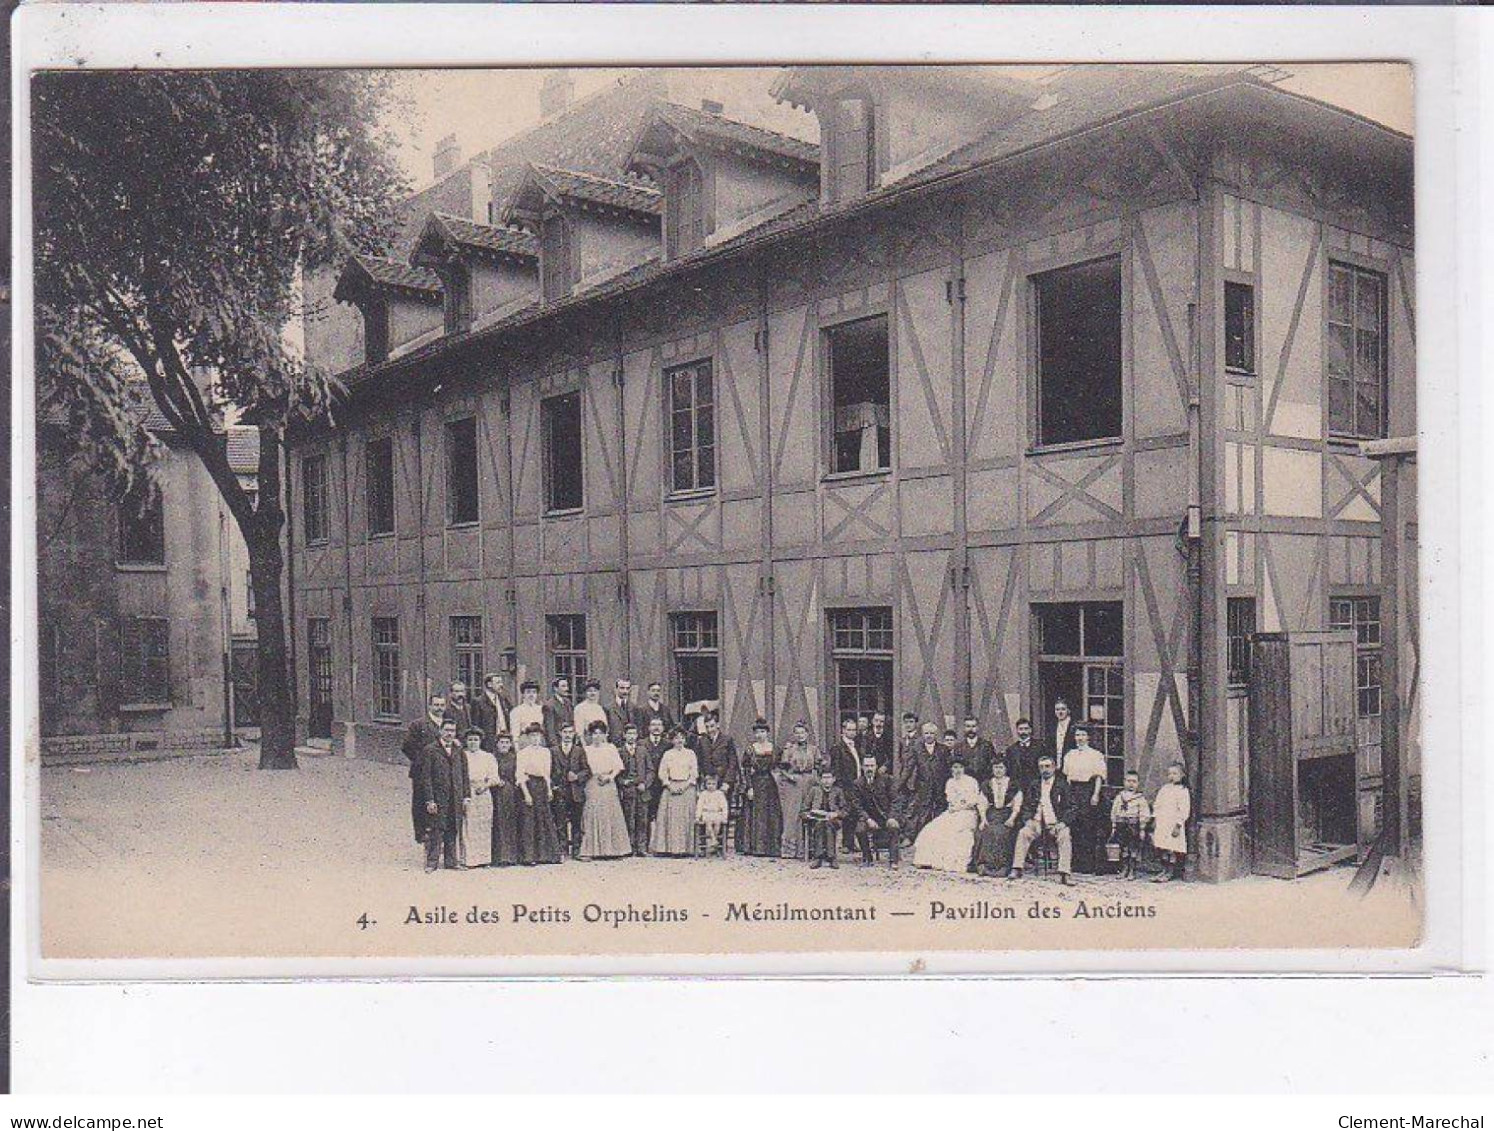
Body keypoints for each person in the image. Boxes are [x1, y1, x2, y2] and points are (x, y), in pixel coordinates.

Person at [1008, 754, 1077, 885]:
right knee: (1023, 833)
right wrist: (1028, 820)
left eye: (1047, 766)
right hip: (1036, 822)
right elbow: (1026, 806)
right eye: (1041, 767)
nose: (1045, 769)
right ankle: (1017, 868)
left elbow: (1072, 807)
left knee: (1065, 835)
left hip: (1055, 823)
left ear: (1054, 767)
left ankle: (1065, 873)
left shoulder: (1062, 785)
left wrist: (1062, 823)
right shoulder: (1034, 784)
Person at [912, 756, 987, 872]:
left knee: (956, 831)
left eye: (960, 767)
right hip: (953, 812)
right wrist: (956, 806)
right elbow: (951, 800)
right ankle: (928, 860)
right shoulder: (950, 782)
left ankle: (954, 863)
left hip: (968, 813)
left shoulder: (971, 781)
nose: (958, 770)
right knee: (933, 828)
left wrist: (961, 805)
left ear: (964, 769)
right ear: (951, 769)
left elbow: (973, 801)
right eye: (955, 767)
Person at [417, 719, 470, 872]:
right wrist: (429, 800)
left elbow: (464, 774)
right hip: (438, 797)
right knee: (436, 829)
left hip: (456, 796)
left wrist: (466, 795)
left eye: (452, 731)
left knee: (453, 828)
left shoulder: (459, 751)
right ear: (440, 731)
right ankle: (432, 862)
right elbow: (426, 777)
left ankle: (451, 861)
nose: (449, 734)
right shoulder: (430, 750)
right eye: (446, 730)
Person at [578, 720, 632, 860]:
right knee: (592, 815)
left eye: (600, 733)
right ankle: (591, 850)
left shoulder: (611, 748)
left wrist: (609, 777)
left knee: (610, 814)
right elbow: (584, 768)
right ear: (590, 735)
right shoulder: (586, 750)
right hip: (593, 783)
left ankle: (613, 850)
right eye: (594, 734)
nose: (597, 736)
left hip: (608, 783)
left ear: (605, 734)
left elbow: (618, 767)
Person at [402, 693, 447, 845]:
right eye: (436, 705)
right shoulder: (419, 724)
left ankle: (440, 834)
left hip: (442, 772)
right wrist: (422, 762)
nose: (439, 708)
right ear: (430, 706)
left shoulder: (448, 724)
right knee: (421, 801)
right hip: (422, 771)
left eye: (442, 705)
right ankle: (423, 835)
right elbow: (407, 746)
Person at [1063, 724, 1108, 874]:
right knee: (1075, 825)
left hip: (1088, 791)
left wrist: (1095, 795)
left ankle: (1089, 865)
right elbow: (1067, 777)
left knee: (1088, 826)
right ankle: (1077, 864)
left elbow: (1098, 777)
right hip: (1073, 791)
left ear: (1088, 737)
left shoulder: (1096, 755)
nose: (1080, 738)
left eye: (1082, 735)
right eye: (1077, 735)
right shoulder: (1070, 755)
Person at [515, 722, 562, 865]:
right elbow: (520, 774)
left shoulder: (546, 752)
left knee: (544, 819)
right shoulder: (523, 753)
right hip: (529, 785)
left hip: (542, 786)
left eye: (537, 736)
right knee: (529, 821)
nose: (535, 739)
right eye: (532, 736)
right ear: (528, 738)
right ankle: (529, 856)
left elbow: (547, 773)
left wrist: (548, 789)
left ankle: (546, 855)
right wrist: (526, 794)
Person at [970, 758, 1023, 877]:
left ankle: (1001, 867)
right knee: (984, 831)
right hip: (991, 813)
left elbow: (1017, 803)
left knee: (1001, 833)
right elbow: (982, 803)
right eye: (996, 767)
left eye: (1001, 767)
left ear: (1006, 769)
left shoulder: (1013, 784)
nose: (998, 770)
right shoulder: (987, 784)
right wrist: (983, 819)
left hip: (1007, 814)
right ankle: (984, 865)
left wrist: (1012, 819)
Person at [651, 728, 700, 857]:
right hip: (671, 788)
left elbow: (694, 772)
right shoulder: (668, 754)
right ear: (672, 740)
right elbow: (662, 772)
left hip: (687, 788)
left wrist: (686, 785)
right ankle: (669, 849)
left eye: (682, 738)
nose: (679, 740)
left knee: (686, 818)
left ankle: (686, 849)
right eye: (677, 738)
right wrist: (668, 784)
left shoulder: (691, 754)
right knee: (671, 819)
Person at [738, 718, 783, 857]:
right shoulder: (751, 749)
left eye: (762, 732)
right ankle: (755, 848)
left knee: (771, 814)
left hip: (770, 784)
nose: (760, 735)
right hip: (755, 782)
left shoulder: (774, 749)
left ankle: (771, 848)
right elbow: (746, 770)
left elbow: (780, 767)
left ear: (767, 733)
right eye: (757, 732)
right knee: (756, 814)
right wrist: (749, 787)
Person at [775, 721, 820, 858]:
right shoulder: (789, 750)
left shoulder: (814, 749)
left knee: (808, 812)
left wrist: (815, 778)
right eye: (797, 733)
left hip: (809, 782)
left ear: (807, 734)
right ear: (794, 735)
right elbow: (781, 769)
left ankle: (807, 849)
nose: (800, 735)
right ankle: (790, 850)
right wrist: (791, 776)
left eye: (803, 732)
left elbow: (819, 766)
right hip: (793, 784)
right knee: (792, 815)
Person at [848, 754, 900, 866]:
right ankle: (867, 858)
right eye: (867, 766)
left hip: (885, 816)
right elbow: (857, 805)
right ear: (862, 767)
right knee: (860, 830)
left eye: (872, 765)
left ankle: (893, 860)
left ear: (876, 766)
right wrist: (867, 819)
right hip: (868, 817)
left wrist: (891, 817)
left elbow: (895, 801)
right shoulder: (857, 783)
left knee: (894, 826)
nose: (869, 769)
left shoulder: (887, 780)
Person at [460, 727, 499, 868]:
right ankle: (469, 859)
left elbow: (495, 777)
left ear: (480, 741)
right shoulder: (462, 755)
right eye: (470, 740)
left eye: (475, 740)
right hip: (468, 791)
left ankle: (484, 859)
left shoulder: (488, 757)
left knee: (484, 825)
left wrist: (485, 786)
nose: (473, 742)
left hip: (483, 792)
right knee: (469, 825)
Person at [897, 722, 943, 839]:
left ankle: (937, 838)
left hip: (939, 787)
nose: (929, 736)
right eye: (926, 733)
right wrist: (899, 785)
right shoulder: (916, 749)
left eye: (931, 733)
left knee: (939, 813)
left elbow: (947, 770)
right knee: (920, 813)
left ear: (936, 735)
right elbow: (908, 768)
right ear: (922, 734)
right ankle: (912, 838)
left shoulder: (943, 750)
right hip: (923, 786)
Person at [617, 722, 654, 856]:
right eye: (629, 734)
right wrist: (623, 782)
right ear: (624, 735)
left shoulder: (643, 751)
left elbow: (650, 770)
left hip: (642, 790)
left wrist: (645, 783)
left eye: (633, 733)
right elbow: (617, 774)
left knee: (643, 819)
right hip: (628, 791)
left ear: (637, 735)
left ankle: (642, 847)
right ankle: (629, 847)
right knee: (629, 819)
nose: (631, 737)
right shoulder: (620, 752)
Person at [552, 722, 587, 859]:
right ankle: (562, 849)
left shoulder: (579, 750)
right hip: (560, 791)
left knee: (576, 822)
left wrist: (577, 776)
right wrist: (553, 785)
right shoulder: (554, 751)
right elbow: (549, 771)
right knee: (560, 822)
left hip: (575, 792)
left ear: (574, 735)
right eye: (565, 732)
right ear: (560, 733)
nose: (567, 735)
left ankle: (576, 850)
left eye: (570, 732)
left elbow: (587, 770)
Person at [1151, 762, 1191, 883]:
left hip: (1173, 824)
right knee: (1162, 847)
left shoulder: (1183, 791)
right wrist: (1155, 818)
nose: (1171, 776)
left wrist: (1178, 825)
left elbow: (1184, 809)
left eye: (1175, 773)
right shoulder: (1165, 789)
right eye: (1169, 774)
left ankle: (1170, 872)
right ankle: (1163, 870)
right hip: (1163, 822)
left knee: (1171, 849)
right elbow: (1157, 804)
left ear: (1182, 775)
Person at [1110, 769, 1151, 881]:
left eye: (1134, 781)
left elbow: (1144, 813)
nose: (1131, 784)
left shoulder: (1140, 799)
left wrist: (1142, 828)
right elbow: (1114, 811)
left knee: (1133, 849)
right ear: (1124, 782)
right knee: (1123, 848)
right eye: (1128, 781)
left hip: (1133, 826)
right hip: (1121, 824)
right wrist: (1114, 825)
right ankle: (1124, 869)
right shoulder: (1120, 797)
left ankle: (1132, 871)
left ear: (1138, 783)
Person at [800, 768, 846, 869]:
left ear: (833, 779)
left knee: (829, 824)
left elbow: (845, 810)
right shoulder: (814, 790)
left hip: (834, 821)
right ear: (820, 779)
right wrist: (809, 815)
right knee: (820, 824)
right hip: (816, 821)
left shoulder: (838, 791)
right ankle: (818, 857)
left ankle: (831, 857)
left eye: (829, 778)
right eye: (824, 778)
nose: (826, 780)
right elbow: (804, 809)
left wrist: (836, 814)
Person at [489, 731, 522, 867]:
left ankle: (511, 856)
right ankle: (499, 856)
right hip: (496, 792)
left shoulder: (514, 757)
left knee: (510, 822)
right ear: (497, 744)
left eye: (507, 742)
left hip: (511, 793)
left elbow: (518, 775)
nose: (504, 745)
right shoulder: (492, 758)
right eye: (501, 742)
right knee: (498, 823)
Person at [831, 718, 863, 851]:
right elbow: (835, 768)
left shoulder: (856, 745)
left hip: (856, 784)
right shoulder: (838, 748)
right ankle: (846, 843)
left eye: (854, 730)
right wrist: (840, 786)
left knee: (854, 813)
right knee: (847, 813)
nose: (852, 732)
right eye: (849, 730)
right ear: (843, 730)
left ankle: (851, 842)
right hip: (845, 784)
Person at [697, 712, 740, 802]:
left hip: (723, 782)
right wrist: (701, 782)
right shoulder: (702, 741)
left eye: (712, 726)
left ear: (718, 725)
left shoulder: (727, 740)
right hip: (708, 784)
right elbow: (699, 763)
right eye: (707, 727)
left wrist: (727, 782)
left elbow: (733, 763)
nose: (709, 730)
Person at [641, 715, 671, 825]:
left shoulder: (668, 744)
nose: (656, 728)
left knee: (662, 814)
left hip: (661, 785)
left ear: (663, 728)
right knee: (645, 815)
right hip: (647, 785)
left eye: (659, 725)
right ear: (649, 728)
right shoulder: (642, 744)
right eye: (653, 725)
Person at [472, 672, 513, 745]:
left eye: (501, 682)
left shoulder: (504, 700)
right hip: (487, 742)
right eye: (498, 682)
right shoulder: (478, 702)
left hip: (504, 741)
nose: (501, 685)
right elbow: (476, 725)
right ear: (489, 684)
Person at [695, 774, 729, 855]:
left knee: (717, 822)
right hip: (706, 813)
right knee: (708, 822)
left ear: (717, 785)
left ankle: (713, 840)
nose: (711, 786)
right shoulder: (703, 794)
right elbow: (699, 806)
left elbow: (724, 806)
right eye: (709, 784)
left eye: (713, 784)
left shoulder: (720, 794)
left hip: (716, 812)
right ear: (705, 784)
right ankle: (714, 840)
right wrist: (697, 816)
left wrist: (725, 817)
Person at [1002, 718, 1039, 793]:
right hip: (1018, 788)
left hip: (1036, 787)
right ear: (1017, 731)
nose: (1023, 732)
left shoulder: (1040, 747)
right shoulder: (1011, 750)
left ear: (1030, 730)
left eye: (1026, 729)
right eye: (1020, 729)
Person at [957, 716, 996, 783]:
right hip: (965, 785)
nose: (971, 729)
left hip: (983, 784)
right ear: (964, 728)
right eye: (968, 726)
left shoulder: (987, 746)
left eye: (973, 726)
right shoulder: (958, 747)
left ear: (978, 727)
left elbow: (992, 765)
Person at [508, 680, 545, 745]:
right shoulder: (516, 711)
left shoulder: (541, 710)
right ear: (523, 694)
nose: (531, 695)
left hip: (540, 742)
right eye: (528, 692)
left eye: (534, 692)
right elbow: (515, 734)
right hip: (524, 741)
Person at [542, 677, 575, 748]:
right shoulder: (549, 705)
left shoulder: (568, 702)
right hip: (557, 744)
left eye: (567, 686)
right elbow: (550, 729)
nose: (566, 689)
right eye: (563, 686)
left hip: (569, 743)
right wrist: (555, 747)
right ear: (555, 688)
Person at [606, 678, 639, 743]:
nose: (625, 691)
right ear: (615, 689)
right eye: (622, 688)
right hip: (615, 745)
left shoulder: (634, 707)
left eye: (627, 688)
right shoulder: (608, 708)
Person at [1049, 698, 1078, 767]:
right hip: (1056, 765)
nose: (1060, 712)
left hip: (1071, 764)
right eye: (1057, 710)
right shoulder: (1052, 727)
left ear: (1068, 710)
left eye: (1063, 709)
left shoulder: (1074, 726)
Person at [893, 712, 920, 783]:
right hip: (903, 777)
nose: (908, 725)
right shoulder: (902, 740)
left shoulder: (920, 740)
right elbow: (899, 758)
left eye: (911, 722)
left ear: (916, 723)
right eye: (906, 722)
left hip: (916, 778)